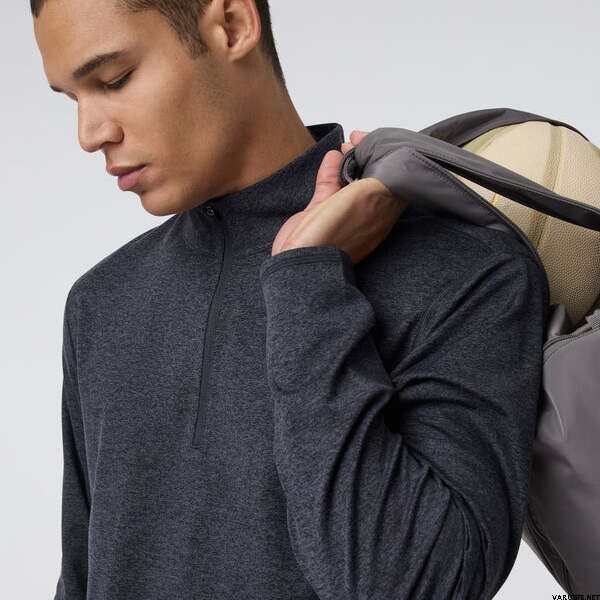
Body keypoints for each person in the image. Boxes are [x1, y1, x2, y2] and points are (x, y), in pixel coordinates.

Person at [32, 1, 549, 598]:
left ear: (233, 25)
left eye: (114, 79)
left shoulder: (465, 272)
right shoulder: (101, 304)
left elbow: (418, 586)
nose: (89, 135)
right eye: (72, 98)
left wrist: (308, 288)